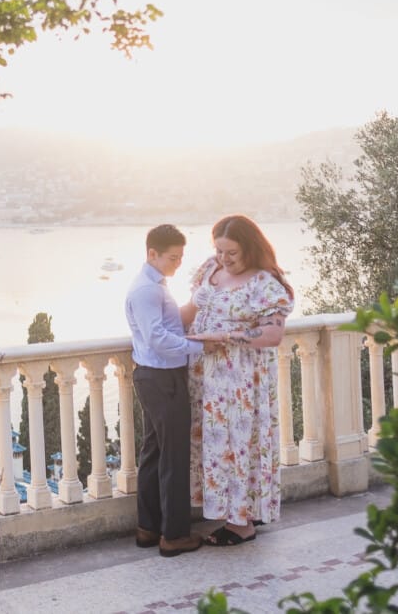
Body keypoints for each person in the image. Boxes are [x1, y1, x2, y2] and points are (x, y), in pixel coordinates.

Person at [183, 214, 294, 547]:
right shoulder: (209, 270)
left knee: (240, 444)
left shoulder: (265, 282)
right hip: (206, 377)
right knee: (215, 445)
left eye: (231, 253)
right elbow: (189, 314)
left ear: (250, 248)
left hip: (243, 379)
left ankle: (243, 522)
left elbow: (273, 333)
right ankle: (230, 512)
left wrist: (227, 336)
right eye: (219, 251)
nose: (224, 259)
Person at [125, 224, 204, 557]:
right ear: (152, 254)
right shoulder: (146, 290)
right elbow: (157, 338)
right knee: (173, 456)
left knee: (155, 453)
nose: (178, 263)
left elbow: (167, 326)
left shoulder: (155, 286)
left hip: (155, 377)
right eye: (173, 257)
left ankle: (148, 528)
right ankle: (173, 535)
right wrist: (199, 348)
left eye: (181, 257)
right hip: (162, 378)